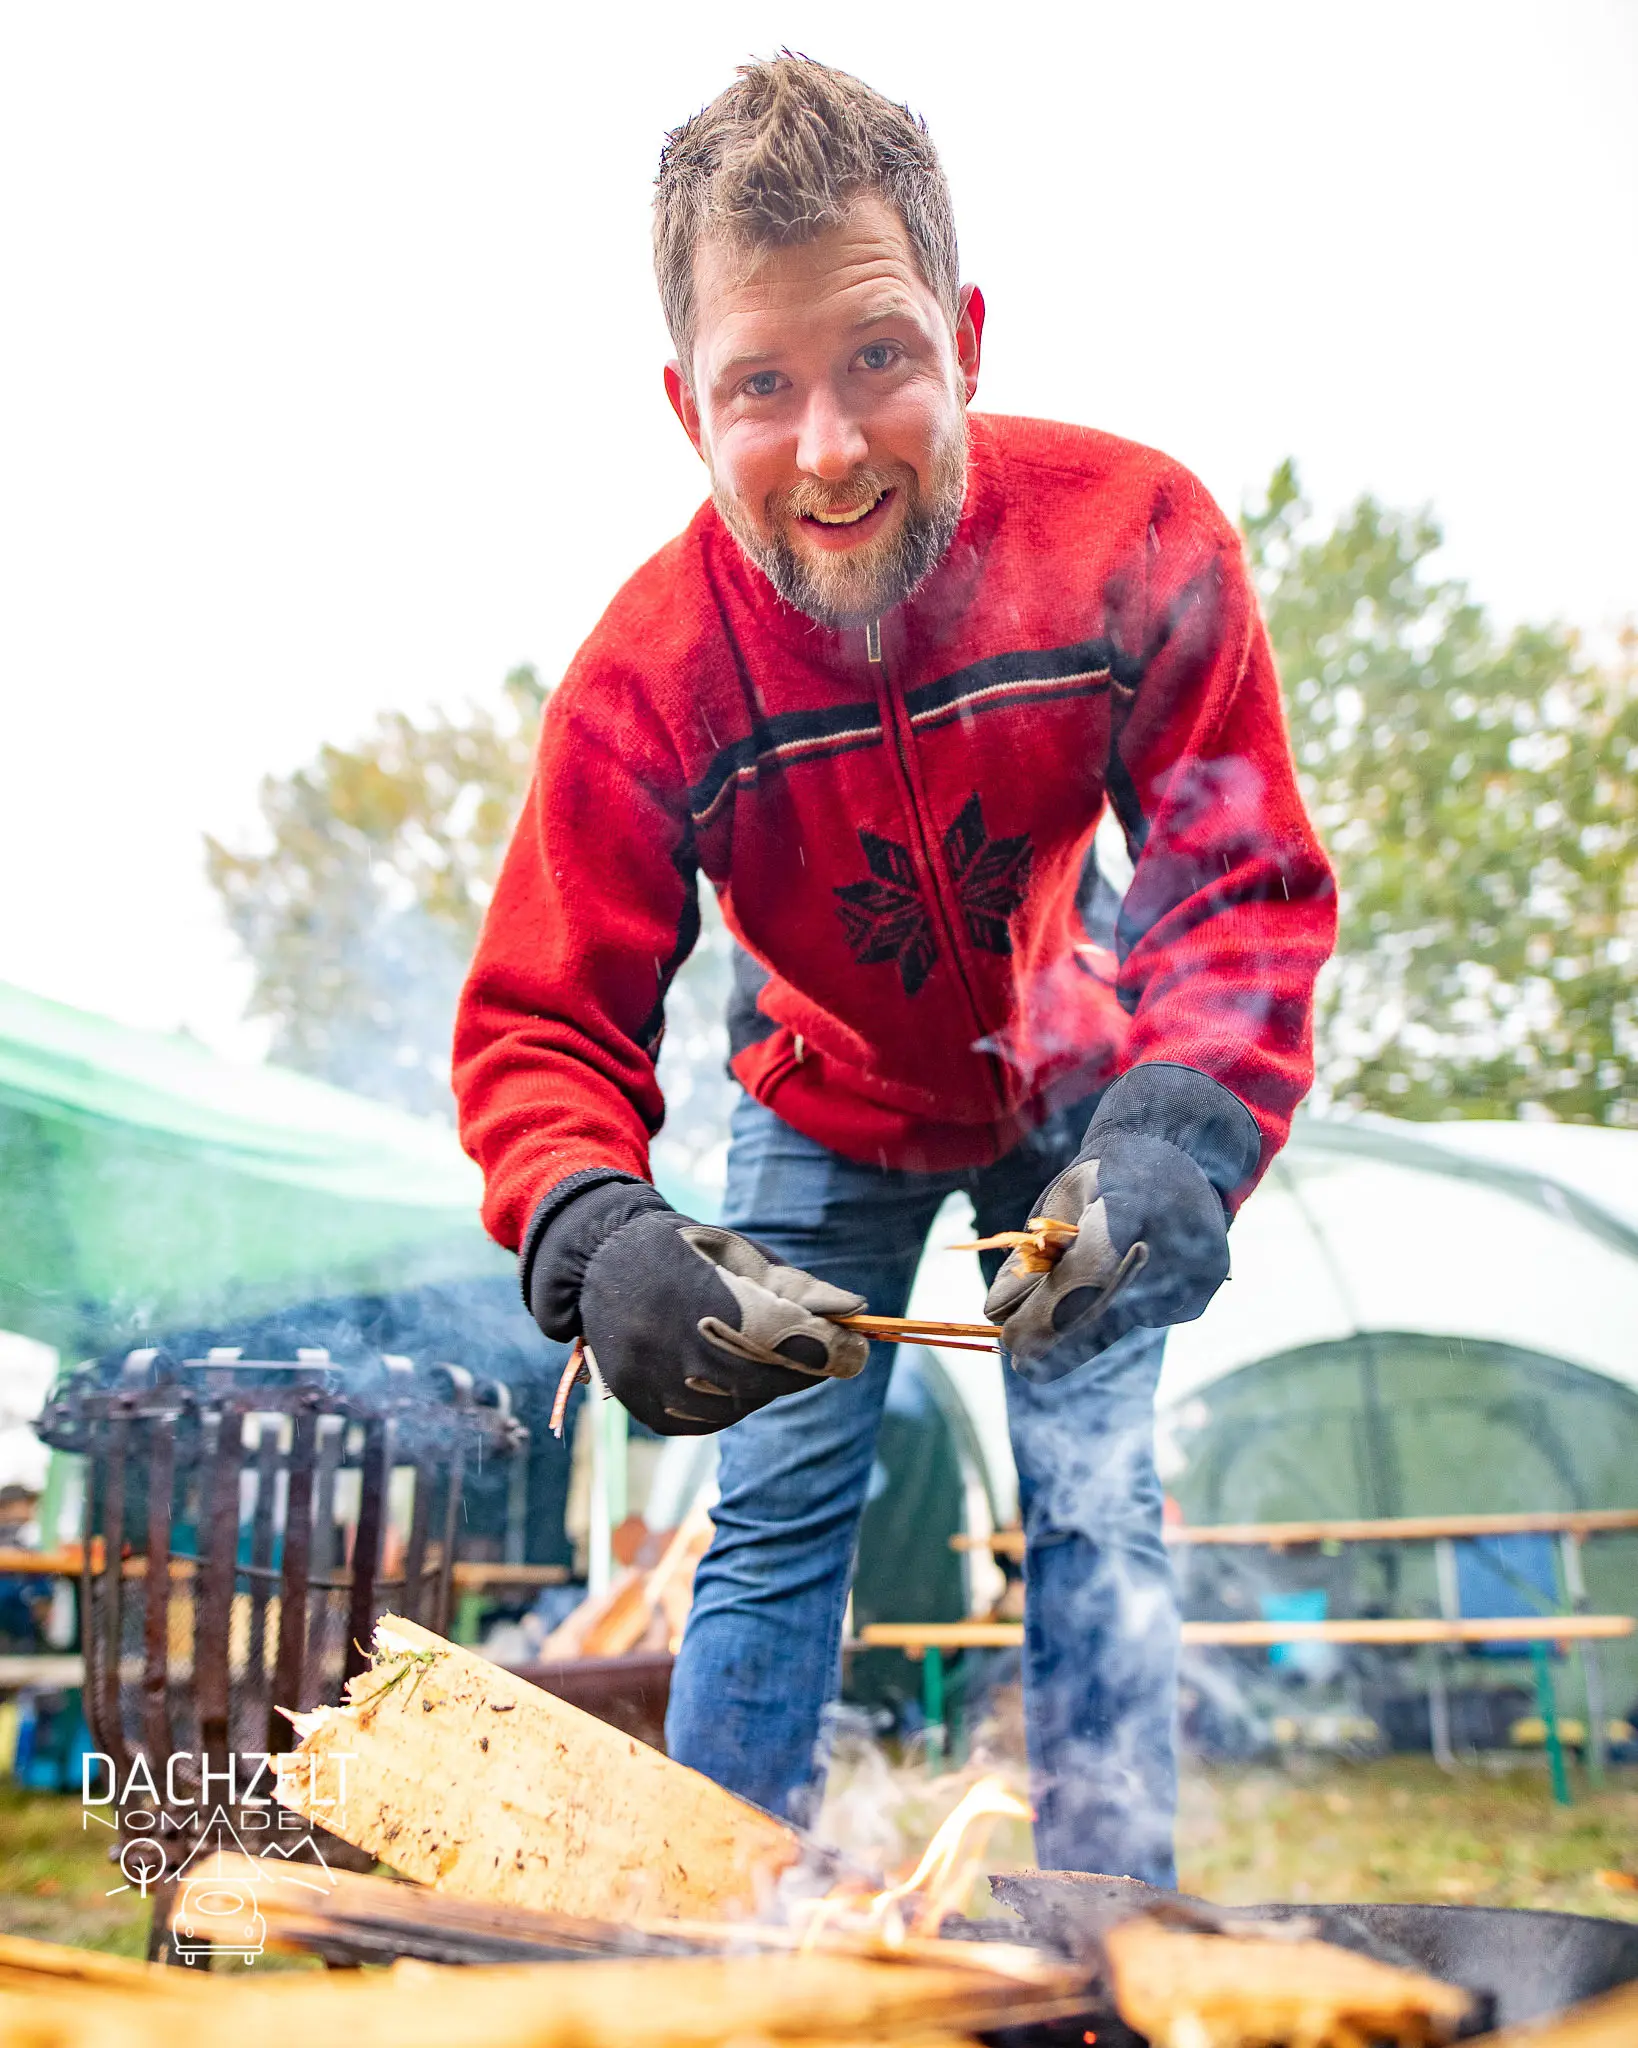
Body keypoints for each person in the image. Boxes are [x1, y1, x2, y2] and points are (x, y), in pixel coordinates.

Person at [454, 53, 1335, 1885]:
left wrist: (1180, 1134)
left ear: (967, 337)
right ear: (684, 402)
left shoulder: (1134, 537)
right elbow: (547, 1015)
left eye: (878, 361)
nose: (831, 446)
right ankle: (719, 1938)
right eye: (761, 387)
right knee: (775, 1522)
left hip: (1081, 1091)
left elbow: (1232, 881)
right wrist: (599, 1232)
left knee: (1100, 1511)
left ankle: (1103, 1930)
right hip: (818, 1103)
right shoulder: (646, 677)